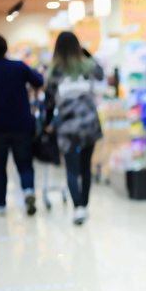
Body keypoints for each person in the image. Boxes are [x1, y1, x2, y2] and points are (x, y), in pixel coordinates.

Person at [0, 34, 43, 216]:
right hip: (21, 123)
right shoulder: (18, 67)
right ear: (6, 47)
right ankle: (28, 191)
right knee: (24, 164)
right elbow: (38, 81)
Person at [44, 31, 103, 226]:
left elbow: (49, 101)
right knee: (86, 167)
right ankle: (83, 205)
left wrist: (47, 123)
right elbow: (101, 73)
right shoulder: (87, 66)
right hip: (89, 123)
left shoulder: (54, 71)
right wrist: (86, 52)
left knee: (71, 168)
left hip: (67, 125)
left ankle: (78, 206)